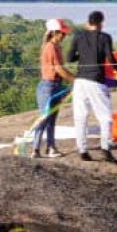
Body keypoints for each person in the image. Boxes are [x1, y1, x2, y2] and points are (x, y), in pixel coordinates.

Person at [67, 10, 117, 162]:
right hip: (96, 80)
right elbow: (111, 58)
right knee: (105, 117)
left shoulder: (78, 36)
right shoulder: (105, 37)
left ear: (88, 22)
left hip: (80, 81)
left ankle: (82, 149)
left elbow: (69, 58)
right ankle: (106, 147)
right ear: (101, 23)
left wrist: (82, 55)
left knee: (80, 116)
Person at [31, 19, 74, 158]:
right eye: (62, 33)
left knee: (52, 119)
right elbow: (59, 68)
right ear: (55, 33)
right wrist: (74, 79)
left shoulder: (57, 47)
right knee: (45, 118)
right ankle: (35, 149)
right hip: (48, 86)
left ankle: (51, 148)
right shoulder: (50, 47)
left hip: (56, 85)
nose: (64, 36)